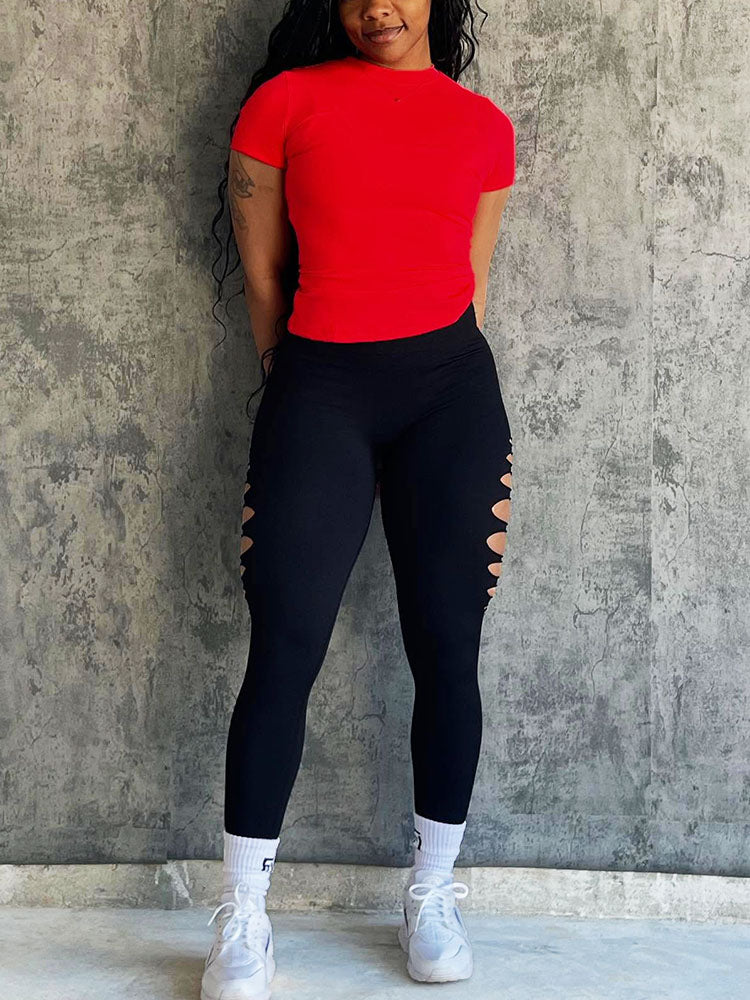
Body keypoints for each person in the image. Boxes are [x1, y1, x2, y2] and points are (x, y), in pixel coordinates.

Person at [201, 2, 515, 997]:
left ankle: (432, 893)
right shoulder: (284, 105)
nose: (378, 4)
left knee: (448, 646)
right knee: (285, 645)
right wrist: (292, 377)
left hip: (451, 399)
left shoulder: (483, 126)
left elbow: (471, 283)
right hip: (319, 390)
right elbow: (262, 272)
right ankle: (243, 913)